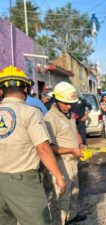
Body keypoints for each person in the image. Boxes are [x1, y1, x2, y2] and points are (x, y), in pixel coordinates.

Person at [0, 65, 66, 225]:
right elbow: (43, 148)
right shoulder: (30, 112)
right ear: (26, 89)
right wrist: (58, 175)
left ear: (1, 90)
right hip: (23, 182)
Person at [44, 81, 87, 225]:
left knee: (75, 191)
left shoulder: (68, 114)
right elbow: (49, 148)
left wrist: (80, 144)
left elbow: (75, 133)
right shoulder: (50, 119)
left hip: (73, 160)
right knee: (62, 198)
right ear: (56, 99)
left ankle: (72, 216)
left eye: (71, 104)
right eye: (66, 103)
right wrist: (72, 150)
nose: (70, 106)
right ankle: (60, 221)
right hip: (61, 163)